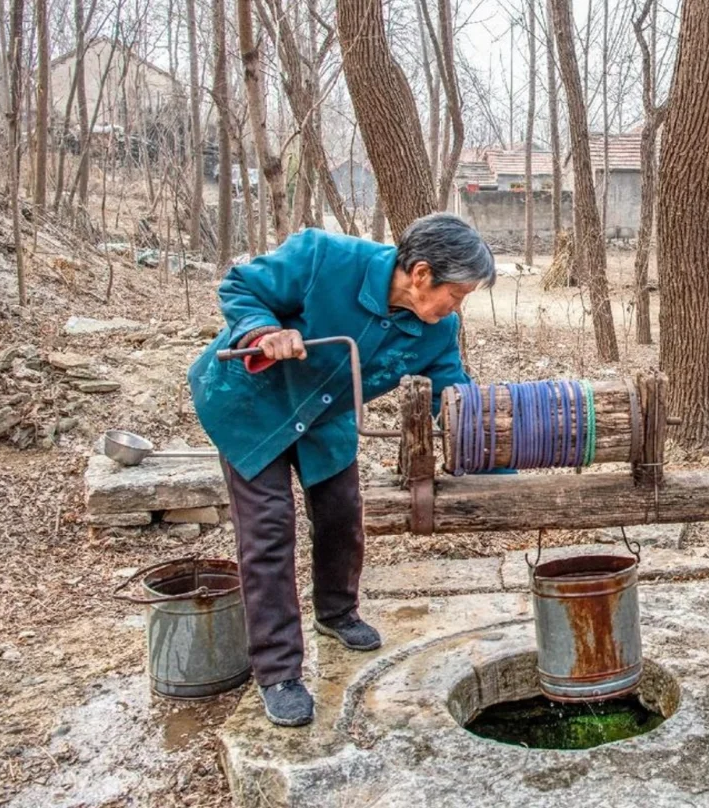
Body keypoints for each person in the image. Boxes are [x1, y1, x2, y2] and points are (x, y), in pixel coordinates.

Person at [188, 213, 496, 727]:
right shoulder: (322, 258)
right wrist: (265, 330)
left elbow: (453, 395)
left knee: (341, 513)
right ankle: (279, 670)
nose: (455, 308)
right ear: (421, 274)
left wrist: (499, 458)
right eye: (457, 295)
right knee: (267, 530)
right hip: (251, 408)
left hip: (326, 417)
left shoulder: (438, 331)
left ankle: (336, 613)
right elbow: (240, 285)